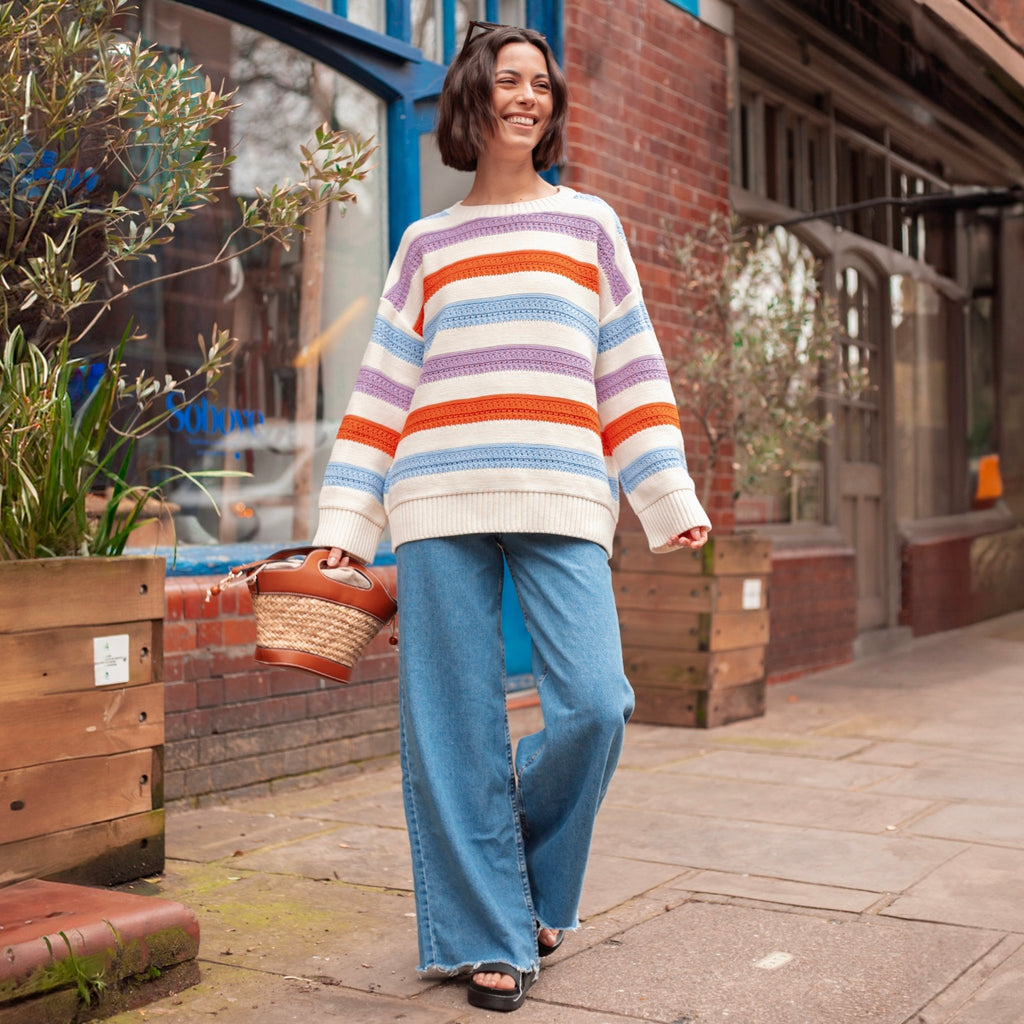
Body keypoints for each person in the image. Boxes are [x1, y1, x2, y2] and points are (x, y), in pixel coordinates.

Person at [313, 21, 711, 1013]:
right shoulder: (427, 244)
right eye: (507, 81)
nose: (527, 96)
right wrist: (346, 521)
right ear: (470, 101)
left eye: (541, 82)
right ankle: (491, 932)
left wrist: (664, 493)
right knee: (452, 725)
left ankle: (511, 879)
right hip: (438, 494)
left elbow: (629, 366)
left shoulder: (588, 226)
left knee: (595, 705)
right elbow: (379, 391)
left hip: (563, 490)